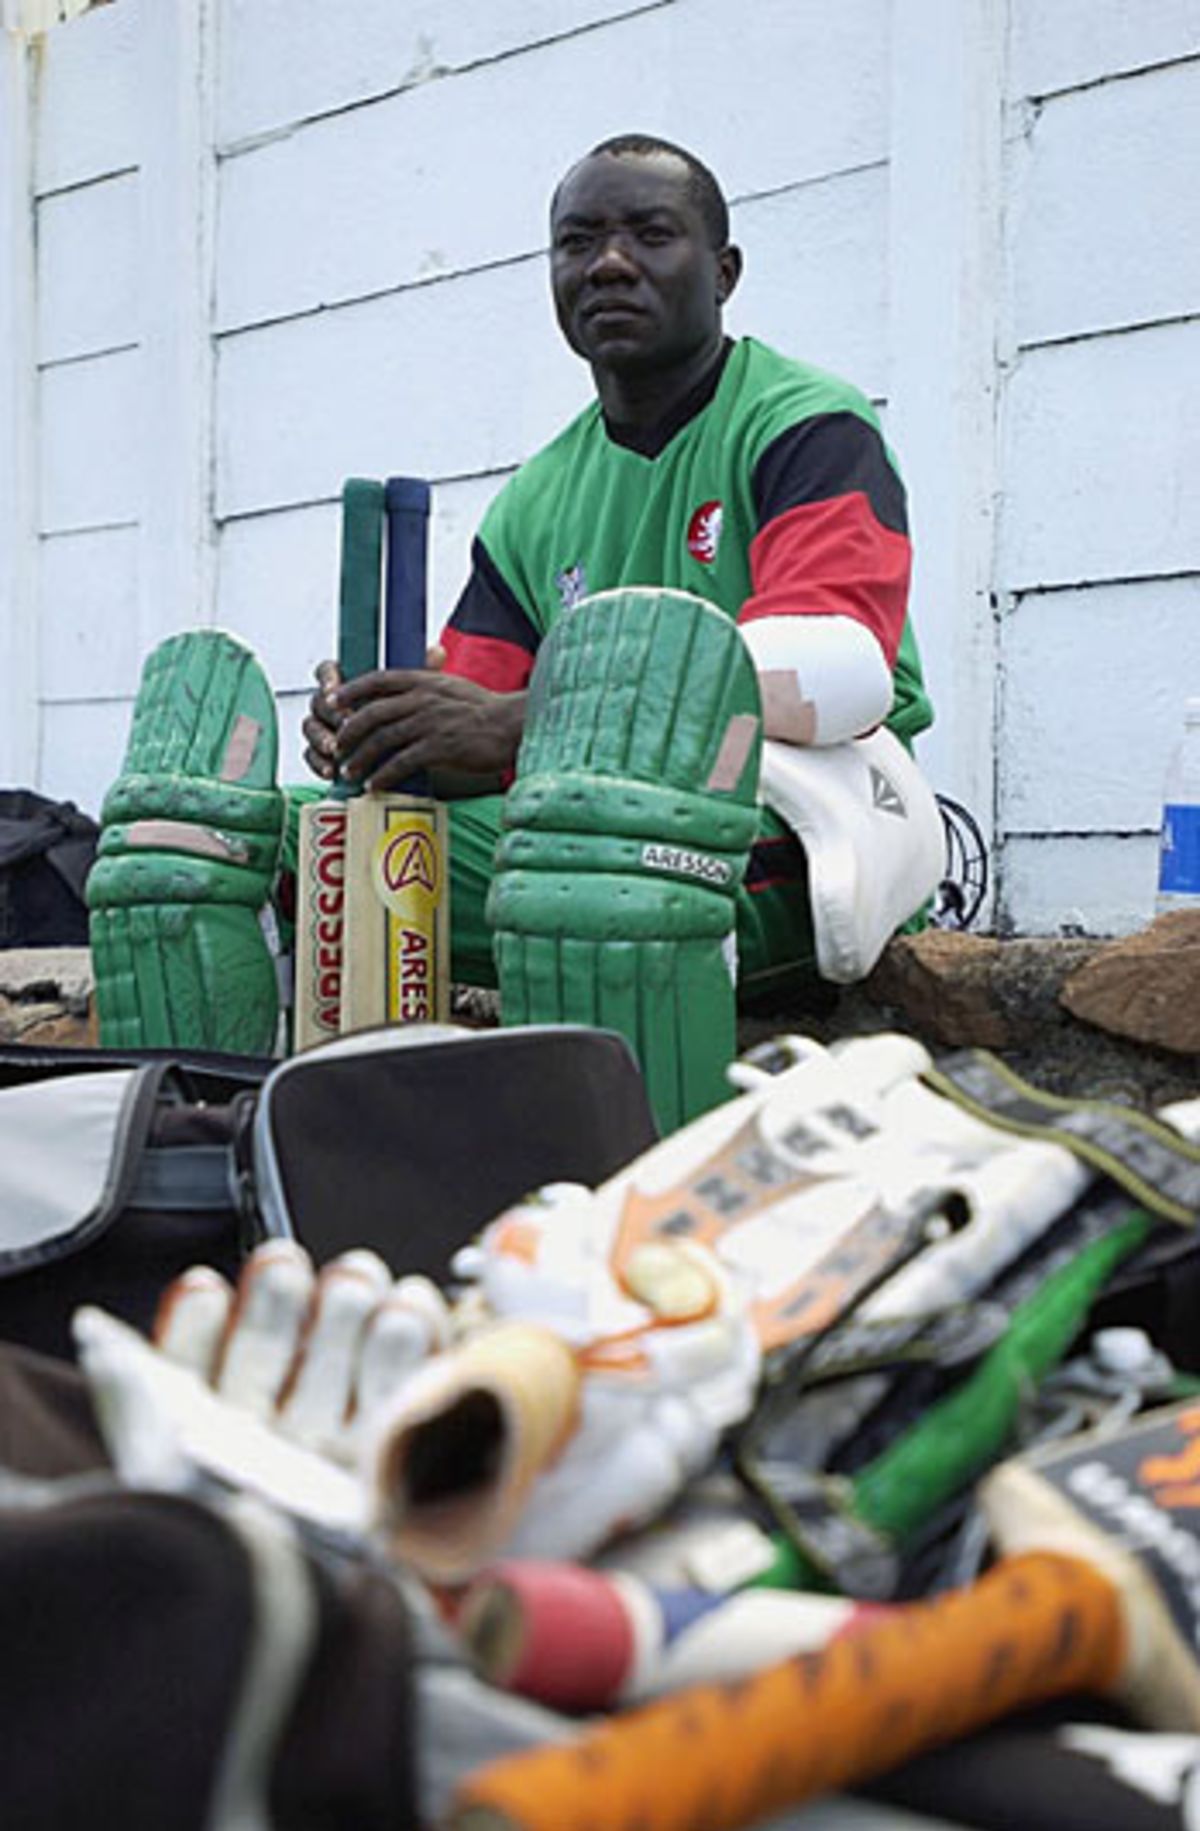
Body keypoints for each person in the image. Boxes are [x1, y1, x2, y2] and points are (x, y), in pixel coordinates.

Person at [300, 134, 934, 1010]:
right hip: (585, 829)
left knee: (578, 857)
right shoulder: (538, 494)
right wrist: (382, 728)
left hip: (806, 828)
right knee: (279, 838)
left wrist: (530, 720)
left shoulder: (805, 422)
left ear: (724, 272)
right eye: (577, 241)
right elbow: (472, 730)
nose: (607, 263)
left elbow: (839, 670)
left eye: (650, 233)